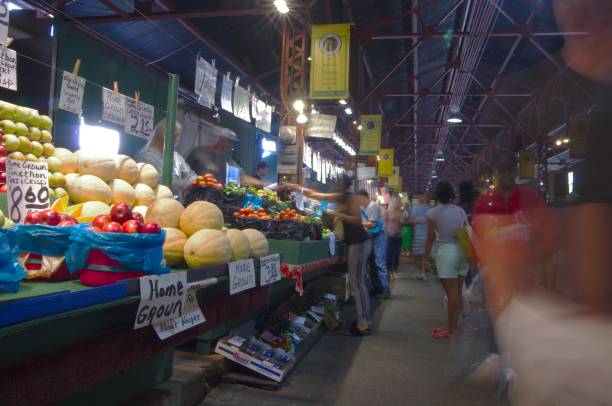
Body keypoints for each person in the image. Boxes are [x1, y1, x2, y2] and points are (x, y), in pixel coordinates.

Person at [283, 176, 373, 336]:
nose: (333, 187)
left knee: (357, 283)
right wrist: (292, 185)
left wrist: (336, 214)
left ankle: (363, 324)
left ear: (343, 186)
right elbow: (316, 195)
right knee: (356, 282)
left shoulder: (350, 198)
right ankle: (364, 320)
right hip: (355, 244)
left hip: (359, 243)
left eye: (336, 185)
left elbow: (358, 221)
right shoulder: (340, 197)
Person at [425, 181, 469, 340]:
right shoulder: (460, 211)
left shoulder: (432, 213)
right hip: (463, 251)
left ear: (437, 195)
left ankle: (450, 329)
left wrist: (425, 258)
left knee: (451, 294)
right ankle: (451, 325)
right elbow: (465, 231)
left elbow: (430, 237)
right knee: (456, 292)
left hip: (446, 252)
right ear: (451, 194)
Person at [138, 119, 197, 200]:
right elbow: (158, 181)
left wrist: (196, 180)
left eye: (178, 136)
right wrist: (183, 184)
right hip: (154, 201)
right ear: (162, 136)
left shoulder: (177, 157)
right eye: (174, 136)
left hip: (174, 204)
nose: (177, 140)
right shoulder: (147, 156)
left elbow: (189, 174)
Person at [186, 130, 263, 187]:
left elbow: (242, 177)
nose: (230, 144)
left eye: (232, 142)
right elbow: (184, 174)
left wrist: (264, 184)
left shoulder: (227, 160)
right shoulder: (199, 153)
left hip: (213, 198)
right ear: (220, 138)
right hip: (194, 196)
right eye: (229, 140)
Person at [359, 191, 390, 298]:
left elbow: (372, 224)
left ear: (364, 198)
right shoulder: (363, 208)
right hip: (370, 237)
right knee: (372, 264)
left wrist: (357, 222)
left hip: (378, 237)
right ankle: (377, 288)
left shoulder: (373, 206)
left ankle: (385, 290)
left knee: (380, 263)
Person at [407, 195, 430, 280]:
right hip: (418, 233)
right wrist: (418, 221)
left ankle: (423, 271)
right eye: (421, 197)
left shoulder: (430, 208)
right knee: (417, 254)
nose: (422, 198)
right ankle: (419, 271)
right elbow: (410, 220)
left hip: (426, 234)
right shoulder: (415, 208)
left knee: (424, 254)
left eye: (423, 197)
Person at [384, 192, 403, 280]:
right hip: (389, 235)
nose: (398, 202)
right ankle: (389, 271)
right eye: (397, 200)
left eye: (399, 201)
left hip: (398, 235)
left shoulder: (400, 212)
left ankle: (394, 270)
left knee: (396, 254)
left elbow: (402, 223)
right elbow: (384, 223)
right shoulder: (387, 212)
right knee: (389, 254)